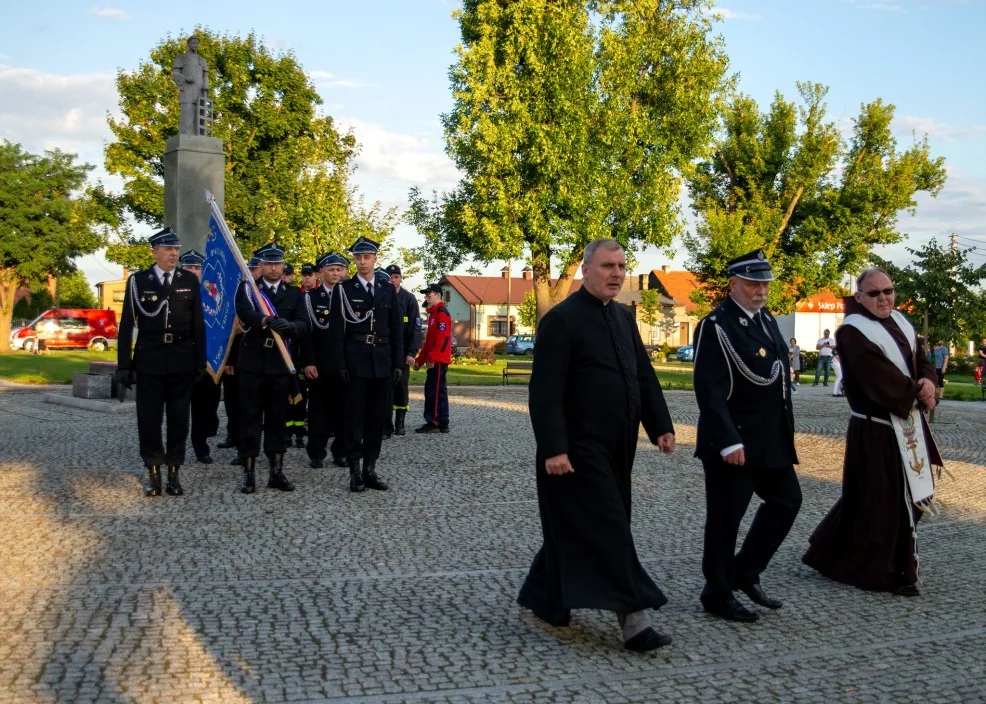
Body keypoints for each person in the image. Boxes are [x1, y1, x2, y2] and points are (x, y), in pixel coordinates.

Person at [517, 238, 676, 653]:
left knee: (574, 528)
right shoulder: (562, 320)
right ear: (585, 270)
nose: (617, 274)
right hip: (576, 449)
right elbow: (545, 391)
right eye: (608, 266)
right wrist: (554, 448)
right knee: (610, 528)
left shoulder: (623, 318)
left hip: (618, 447)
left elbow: (642, 374)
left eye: (622, 266)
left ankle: (543, 596)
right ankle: (634, 621)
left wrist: (659, 424)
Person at [803, 268, 943, 596]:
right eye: (875, 293)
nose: (883, 298)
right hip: (876, 429)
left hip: (906, 426)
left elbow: (921, 360)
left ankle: (832, 553)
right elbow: (877, 378)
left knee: (878, 498)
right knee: (885, 500)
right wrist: (917, 391)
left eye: (888, 291)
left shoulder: (903, 322)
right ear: (859, 297)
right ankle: (888, 571)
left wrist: (929, 381)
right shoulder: (852, 332)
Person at [692, 249, 802, 623]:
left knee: (787, 501)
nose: (761, 290)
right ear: (733, 283)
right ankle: (717, 593)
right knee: (725, 519)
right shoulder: (717, 325)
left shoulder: (767, 319)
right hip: (733, 442)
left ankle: (744, 571)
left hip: (769, 440)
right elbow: (709, 389)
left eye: (765, 282)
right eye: (754, 283)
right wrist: (728, 440)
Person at [115, 228, 206, 497]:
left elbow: (198, 324)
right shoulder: (138, 281)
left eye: (176, 249)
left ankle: (174, 472)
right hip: (150, 358)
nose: (174, 253)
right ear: (154, 251)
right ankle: (153, 471)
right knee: (149, 418)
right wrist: (123, 365)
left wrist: (200, 361)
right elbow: (126, 326)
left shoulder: (189, 280)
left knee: (179, 418)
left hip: (182, 358)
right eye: (168, 249)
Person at [233, 243, 309, 494]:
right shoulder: (249, 289)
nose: (274, 267)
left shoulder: (295, 293)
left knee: (278, 417)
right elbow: (244, 311)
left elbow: (303, 323)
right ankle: (249, 471)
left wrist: (290, 326)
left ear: (283, 265)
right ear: (261, 266)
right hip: (253, 361)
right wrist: (265, 319)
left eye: (277, 263)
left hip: (280, 362)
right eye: (268, 263)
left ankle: (276, 471)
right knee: (250, 416)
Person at [330, 237, 403, 492]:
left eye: (367, 257)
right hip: (355, 360)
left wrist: (397, 364)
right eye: (358, 257)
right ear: (354, 260)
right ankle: (354, 471)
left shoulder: (386, 289)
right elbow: (337, 331)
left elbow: (396, 329)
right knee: (354, 418)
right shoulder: (344, 289)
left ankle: (370, 468)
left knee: (376, 418)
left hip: (381, 360)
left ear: (375, 259)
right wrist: (339, 364)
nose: (363, 261)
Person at [300, 252, 349, 469]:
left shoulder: (350, 295)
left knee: (343, 410)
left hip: (344, 364)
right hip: (319, 363)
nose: (335, 273)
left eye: (339, 269)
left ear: (345, 272)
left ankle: (341, 452)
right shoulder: (311, 298)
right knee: (318, 410)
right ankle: (316, 453)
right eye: (331, 269)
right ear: (321, 273)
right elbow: (306, 334)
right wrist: (308, 361)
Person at [180, 249, 223, 464]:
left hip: (208, 360)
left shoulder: (212, 295)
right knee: (179, 408)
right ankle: (177, 448)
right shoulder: (177, 292)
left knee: (204, 407)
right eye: (189, 267)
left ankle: (201, 446)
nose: (194, 271)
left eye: (198, 268)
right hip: (183, 359)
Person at [384, 264, 422, 436]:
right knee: (384, 388)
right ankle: (385, 424)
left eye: (396, 277)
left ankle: (400, 422)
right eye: (390, 277)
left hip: (403, 352)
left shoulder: (409, 299)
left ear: (400, 278)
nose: (393, 280)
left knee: (400, 387)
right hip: (383, 351)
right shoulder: (381, 296)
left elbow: (416, 328)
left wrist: (411, 353)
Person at [413, 284, 452, 433]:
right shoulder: (433, 314)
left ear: (438, 296)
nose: (427, 297)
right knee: (438, 390)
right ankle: (442, 421)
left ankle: (434, 421)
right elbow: (429, 342)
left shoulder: (441, 313)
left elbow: (442, 339)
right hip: (435, 359)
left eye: (430, 294)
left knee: (434, 391)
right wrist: (419, 360)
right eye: (426, 295)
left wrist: (433, 358)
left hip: (438, 360)